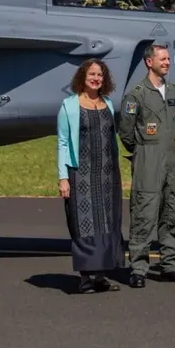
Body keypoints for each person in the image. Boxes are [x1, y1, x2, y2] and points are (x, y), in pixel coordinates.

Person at [117, 44, 175, 287]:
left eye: (169, 58)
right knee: (144, 213)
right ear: (149, 62)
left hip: (171, 158)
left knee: (173, 212)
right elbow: (126, 131)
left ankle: (171, 265)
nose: (168, 62)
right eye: (163, 59)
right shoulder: (136, 94)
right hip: (147, 158)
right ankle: (138, 268)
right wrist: (141, 151)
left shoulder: (173, 91)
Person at [56, 58, 125, 293]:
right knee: (83, 224)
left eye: (100, 75)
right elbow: (63, 143)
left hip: (107, 173)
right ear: (82, 78)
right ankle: (85, 278)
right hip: (81, 173)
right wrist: (63, 177)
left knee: (107, 222)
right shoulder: (69, 106)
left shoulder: (107, 103)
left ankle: (101, 276)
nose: (96, 79)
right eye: (92, 75)